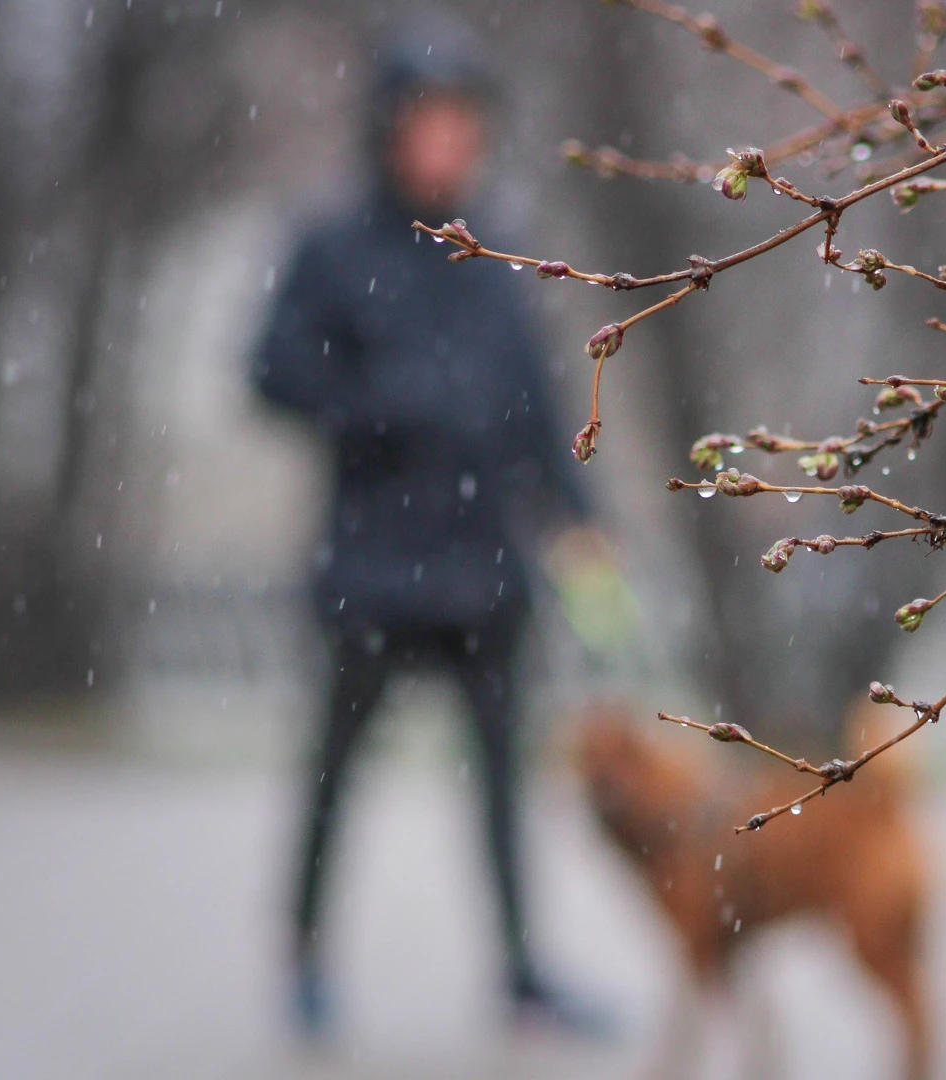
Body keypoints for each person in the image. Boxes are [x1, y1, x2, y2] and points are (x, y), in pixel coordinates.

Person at [253, 22, 594, 1036]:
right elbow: (270, 374)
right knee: (333, 776)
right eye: (428, 123)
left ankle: (524, 974)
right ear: (389, 132)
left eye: (463, 125)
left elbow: (539, 409)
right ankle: (308, 962)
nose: (448, 144)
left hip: (486, 569)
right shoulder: (330, 247)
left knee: (501, 784)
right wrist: (376, 402)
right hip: (370, 567)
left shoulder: (497, 251)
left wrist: (584, 521)